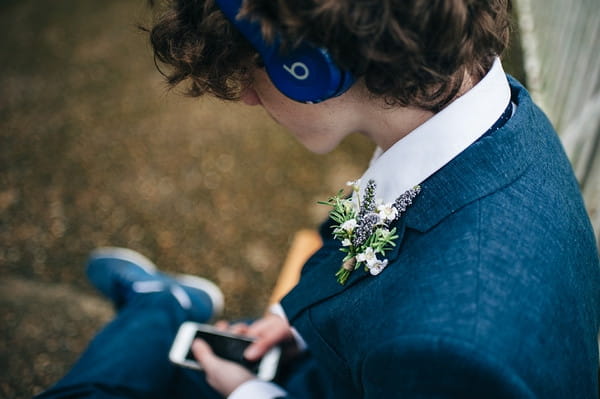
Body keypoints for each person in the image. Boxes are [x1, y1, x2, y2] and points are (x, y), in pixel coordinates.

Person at [37, 0, 600, 398]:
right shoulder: (488, 120)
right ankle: (159, 307)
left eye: (251, 72)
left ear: (308, 69)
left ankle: (158, 306)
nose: (251, 99)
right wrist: (294, 317)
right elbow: (372, 229)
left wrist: (250, 393)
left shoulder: (454, 356)